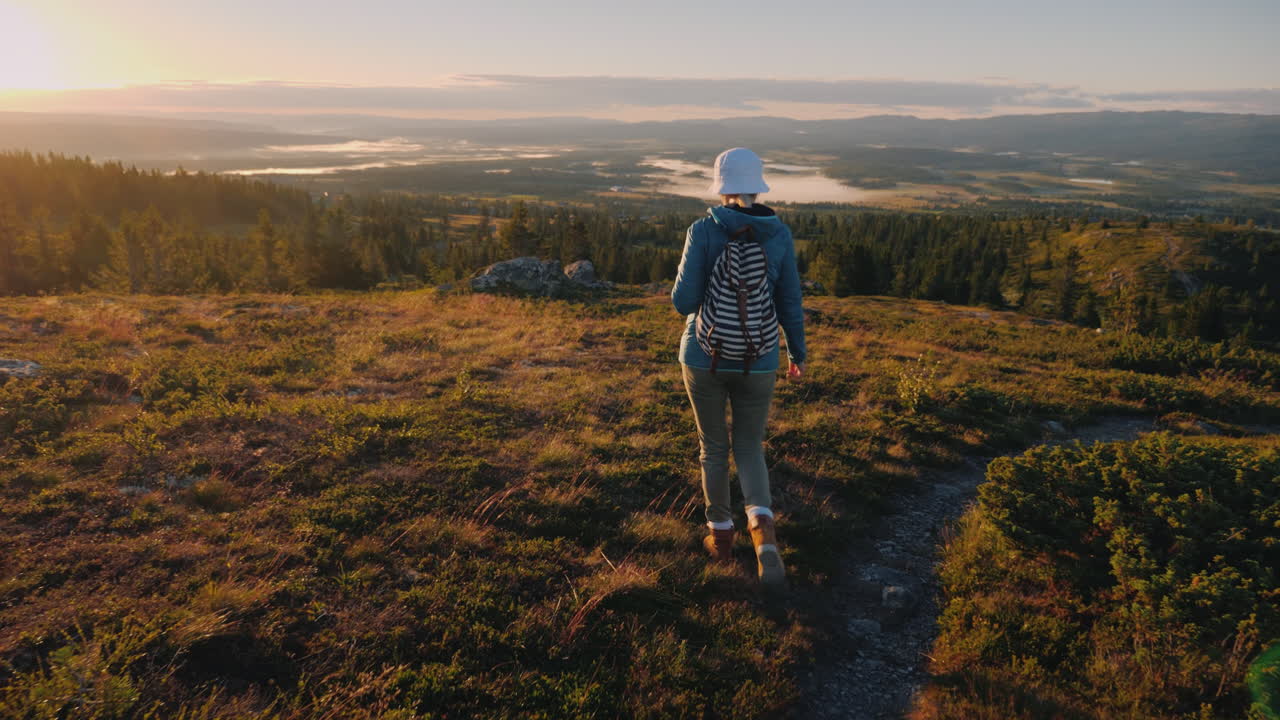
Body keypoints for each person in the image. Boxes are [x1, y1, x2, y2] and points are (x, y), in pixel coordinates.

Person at [670, 147, 806, 586]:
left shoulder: (703, 230)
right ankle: (764, 539)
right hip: (760, 358)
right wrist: (796, 353)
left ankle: (721, 540)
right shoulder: (779, 234)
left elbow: (683, 302)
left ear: (721, 186)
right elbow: (789, 301)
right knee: (749, 448)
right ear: (756, 185)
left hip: (703, 355)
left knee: (713, 448)